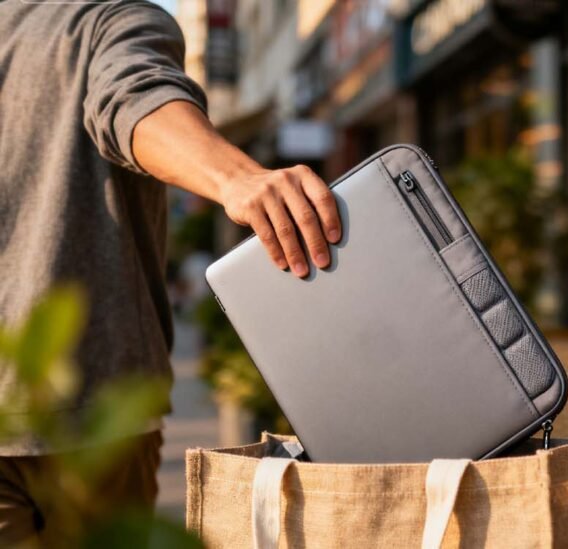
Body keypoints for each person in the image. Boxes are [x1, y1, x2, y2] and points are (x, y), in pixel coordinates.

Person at [0, 1, 340, 543]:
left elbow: (133, 96)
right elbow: (132, 97)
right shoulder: (109, 20)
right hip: (97, 418)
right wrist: (236, 178)